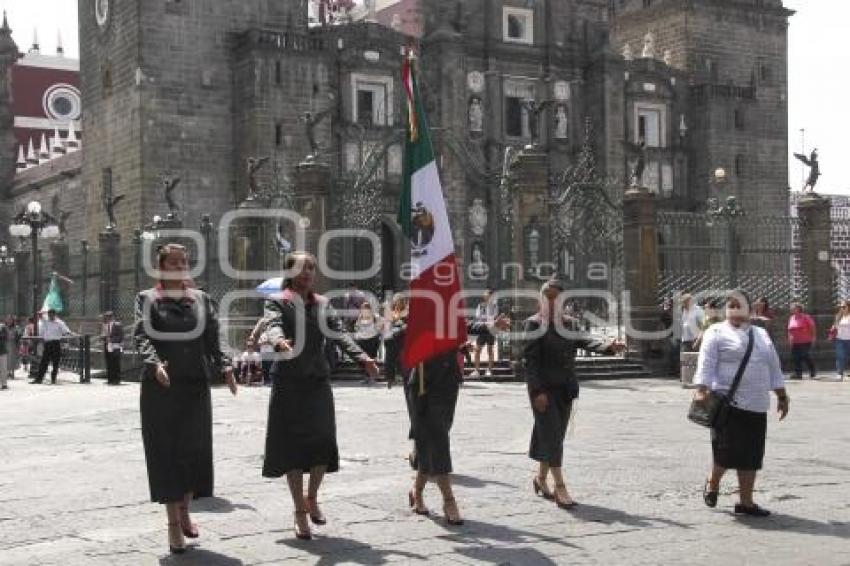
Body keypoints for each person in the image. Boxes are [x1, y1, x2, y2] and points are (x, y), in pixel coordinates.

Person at [261, 252, 379, 541]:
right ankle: (299, 511)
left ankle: (311, 496)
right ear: (289, 271)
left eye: (310, 268)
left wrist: (363, 357)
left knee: (323, 442)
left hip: (316, 380)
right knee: (291, 447)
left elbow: (339, 334)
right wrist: (278, 341)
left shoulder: (323, 304)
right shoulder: (278, 300)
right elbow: (272, 324)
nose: (306, 273)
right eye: (301, 268)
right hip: (288, 381)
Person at [134, 243, 237, 554]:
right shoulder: (147, 299)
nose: (180, 266)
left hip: (194, 386)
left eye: (184, 261)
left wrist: (227, 365)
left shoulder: (202, 299)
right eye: (173, 262)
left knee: (194, 453)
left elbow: (214, 337)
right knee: (167, 455)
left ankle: (185, 509)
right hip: (161, 389)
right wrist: (154, 364)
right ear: (161, 267)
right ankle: (173, 525)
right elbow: (141, 334)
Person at [522, 279, 623, 508]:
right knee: (551, 434)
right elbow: (530, 362)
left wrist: (608, 346)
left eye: (556, 296)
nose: (552, 300)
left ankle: (540, 479)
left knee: (553, 435)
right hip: (543, 390)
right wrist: (536, 391)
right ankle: (560, 487)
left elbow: (585, 340)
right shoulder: (533, 324)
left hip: (565, 388)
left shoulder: (570, 324)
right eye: (548, 295)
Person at [693, 291, 789, 517]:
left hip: (756, 404)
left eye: (740, 305)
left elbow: (774, 367)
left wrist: (782, 396)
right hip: (728, 403)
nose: (735, 310)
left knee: (752, 455)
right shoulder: (715, 332)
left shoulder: (761, 334)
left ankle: (746, 502)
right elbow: (706, 363)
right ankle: (713, 481)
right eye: (731, 306)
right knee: (726, 453)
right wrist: (701, 389)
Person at [35, 309, 72, 385]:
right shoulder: (45, 322)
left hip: (56, 343)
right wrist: (42, 313)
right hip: (47, 344)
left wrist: (70, 334)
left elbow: (66, 331)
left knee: (55, 363)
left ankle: (53, 379)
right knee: (44, 362)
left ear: (55, 315)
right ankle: (39, 379)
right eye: (49, 315)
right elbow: (39, 315)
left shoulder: (59, 323)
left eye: (52, 314)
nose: (50, 316)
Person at [471, 288, 498, 378]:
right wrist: (487, 320)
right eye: (486, 295)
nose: (488, 297)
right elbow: (478, 316)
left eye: (490, 295)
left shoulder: (495, 306)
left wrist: (486, 319)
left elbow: (494, 317)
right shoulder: (480, 305)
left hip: (491, 329)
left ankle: (489, 370)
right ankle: (476, 370)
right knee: (477, 349)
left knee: (490, 350)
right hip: (482, 329)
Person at [382, 294, 408, 389]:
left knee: (401, 359)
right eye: (396, 301)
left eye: (400, 301)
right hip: (390, 339)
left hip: (401, 339)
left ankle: (403, 377)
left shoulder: (406, 312)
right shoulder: (390, 312)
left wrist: (402, 327)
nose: (398, 303)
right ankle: (390, 379)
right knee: (389, 360)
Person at [354, 303, 381, 385]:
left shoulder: (375, 316)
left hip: (373, 340)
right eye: (362, 308)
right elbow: (356, 327)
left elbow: (379, 327)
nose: (363, 310)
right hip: (363, 340)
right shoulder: (360, 317)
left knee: (372, 359)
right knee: (365, 359)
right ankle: (366, 377)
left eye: (365, 308)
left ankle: (373, 377)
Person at [787, 303, 816, 380]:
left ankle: (812, 369)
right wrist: (790, 338)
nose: (791, 309)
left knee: (805, 355)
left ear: (798, 309)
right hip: (795, 341)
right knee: (796, 358)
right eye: (791, 308)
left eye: (793, 308)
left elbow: (812, 327)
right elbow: (789, 330)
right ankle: (798, 374)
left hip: (805, 340)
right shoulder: (791, 318)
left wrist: (813, 337)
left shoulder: (805, 317)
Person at [100, 311, 125, 385]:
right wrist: (103, 337)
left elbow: (120, 337)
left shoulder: (117, 325)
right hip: (107, 346)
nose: (108, 318)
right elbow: (104, 335)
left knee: (116, 363)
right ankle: (110, 379)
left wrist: (111, 340)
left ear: (112, 317)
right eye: (106, 317)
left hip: (115, 346)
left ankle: (117, 379)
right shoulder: (104, 325)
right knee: (109, 363)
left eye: (109, 316)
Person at [831, 300, 850, 380]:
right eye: (841, 307)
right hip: (840, 339)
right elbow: (834, 325)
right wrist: (833, 327)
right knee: (840, 356)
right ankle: (839, 373)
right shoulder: (838, 316)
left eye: (844, 307)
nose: (842, 308)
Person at [5, 315, 20, 380]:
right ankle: (7, 373)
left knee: (13, 358)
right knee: (7, 359)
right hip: (6, 344)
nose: (9, 321)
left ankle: (12, 373)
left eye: (11, 320)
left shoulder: (16, 328)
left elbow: (18, 336)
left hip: (13, 344)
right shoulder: (4, 327)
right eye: (8, 320)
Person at [0, 319, 8, 390]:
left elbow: (6, 337)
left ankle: (4, 384)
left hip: (2, 350)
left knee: (3, 368)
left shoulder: (3, 327)